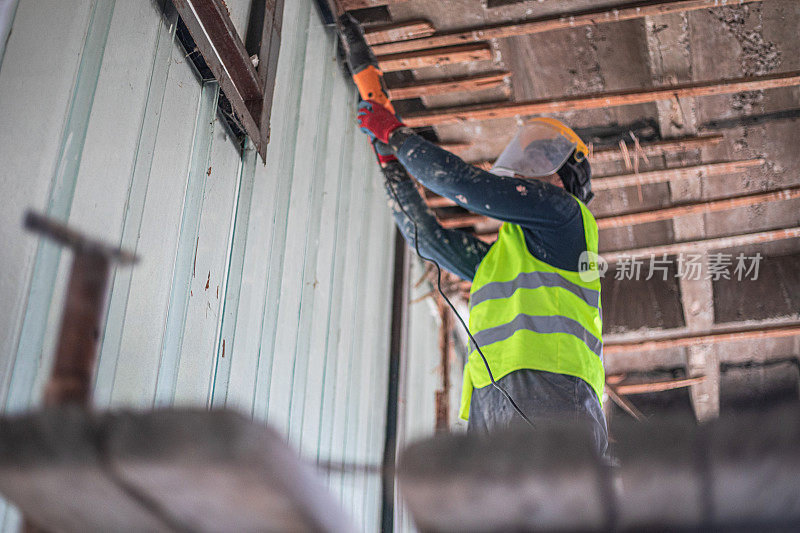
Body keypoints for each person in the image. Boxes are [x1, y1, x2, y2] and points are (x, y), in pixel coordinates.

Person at [357, 101, 607, 453]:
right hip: (491, 398)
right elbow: (426, 239)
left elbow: (468, 187)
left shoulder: (566, 217)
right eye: (524, 165)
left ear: (564, 180)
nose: (522, 175)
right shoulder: (499, 259)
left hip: (554, 386)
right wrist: (391, 163)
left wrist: (395, 136)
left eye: (538, 165)